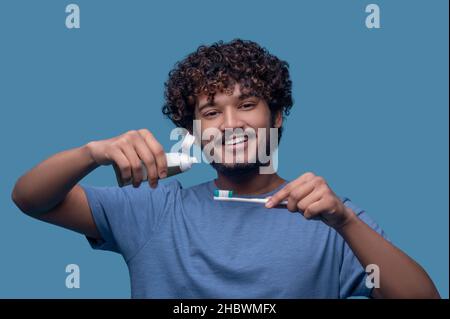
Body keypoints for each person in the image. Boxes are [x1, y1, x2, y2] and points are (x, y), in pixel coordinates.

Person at [12, 39, 440, 299]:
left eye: (248, 105)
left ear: (276, 119)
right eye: (212, 112)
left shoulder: (328, 215)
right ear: (193, 131)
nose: (232, 123)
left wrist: (345, 222)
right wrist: (92, 152)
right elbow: (30, 198)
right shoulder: (153, 210)